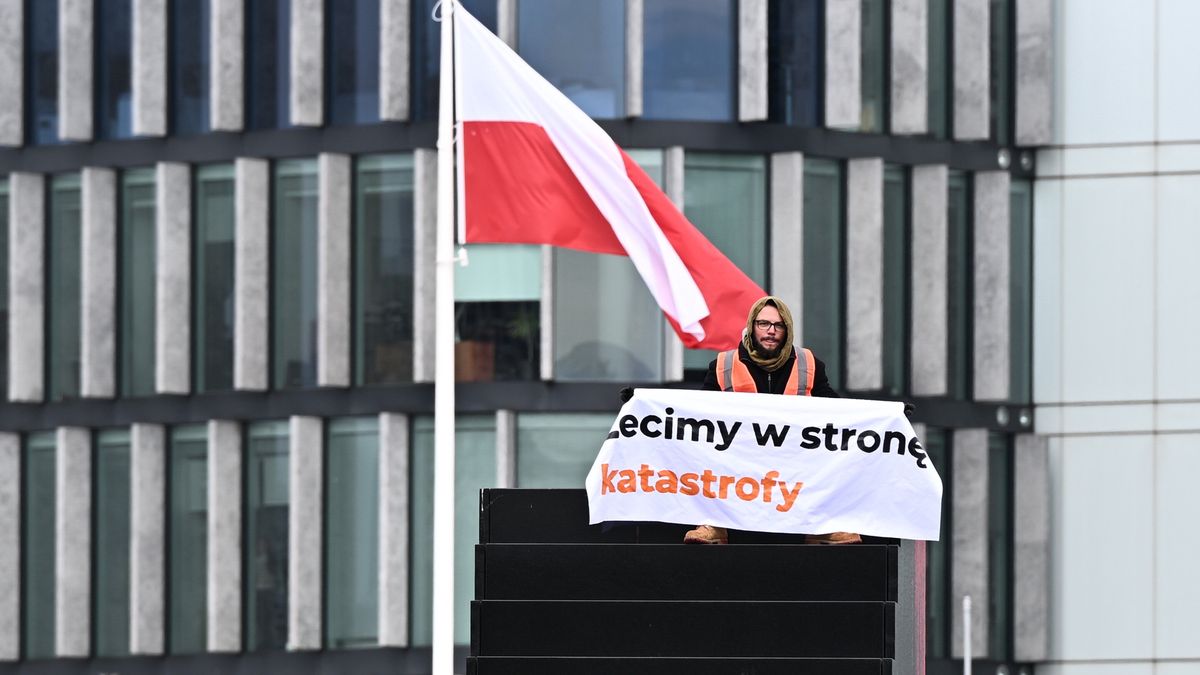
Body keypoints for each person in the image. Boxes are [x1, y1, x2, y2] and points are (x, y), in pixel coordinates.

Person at [683, 295, 861, 546]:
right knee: (705, 453)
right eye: (763, 324)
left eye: (778, 326)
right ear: (752, 326)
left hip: (794, 459)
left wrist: (887, 416)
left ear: (787, 329)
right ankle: (713, 525)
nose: (771, 331)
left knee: (833, 456)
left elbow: (836, 410)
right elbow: (695, 413)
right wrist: (642, 404)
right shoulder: (723, 364)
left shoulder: (809, 363)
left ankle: (823, 526)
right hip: (737, 459)